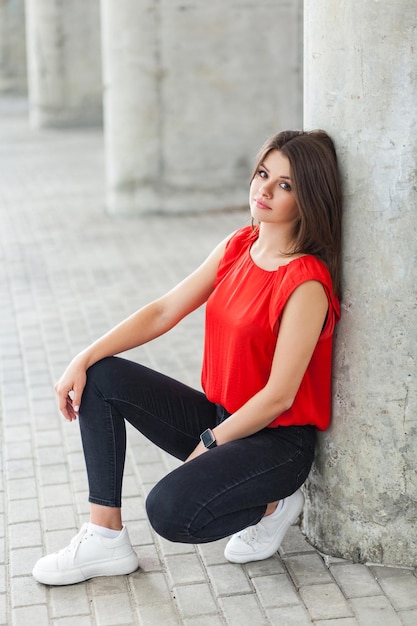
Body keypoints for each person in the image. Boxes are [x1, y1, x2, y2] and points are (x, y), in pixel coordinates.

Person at [32, 129, 342, 586]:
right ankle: (104, 536)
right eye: (262, 174)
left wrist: (211, 442)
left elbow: (278, 396)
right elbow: (163, 311)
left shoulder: (306, 283)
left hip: (277, 443)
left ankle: (274, 504)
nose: (264, 189)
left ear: (309, 196)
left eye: (285, 184)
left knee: (170, 511)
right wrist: (83, 355)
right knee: (100, 376)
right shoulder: (240, 245)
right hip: (224, 415)